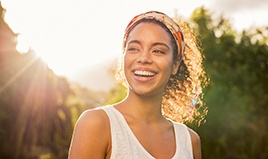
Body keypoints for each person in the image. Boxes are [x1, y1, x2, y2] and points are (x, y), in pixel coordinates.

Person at [68, 11, 207, 159]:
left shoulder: (190, 142)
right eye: (134, 48)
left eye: (158, 51)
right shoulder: (97, 124)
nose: (144, 58)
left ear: (175, 65)